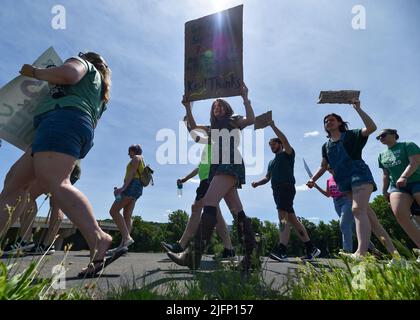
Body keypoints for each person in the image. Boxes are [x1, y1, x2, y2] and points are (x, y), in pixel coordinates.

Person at [0, 52, 122, 277]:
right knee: (14, 182)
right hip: (66, 124)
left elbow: (69, 73)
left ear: (87, 58)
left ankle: (98, 238)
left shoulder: (84, 66)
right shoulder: (100, 92)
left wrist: (35, 72)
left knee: (55, 182)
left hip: (60, 120)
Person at [168, 83, 258, 271]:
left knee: (209, 202)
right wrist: (187, 107)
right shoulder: (211, 129)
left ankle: (193, 256)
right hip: (218, 168)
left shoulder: (234, 120)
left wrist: (245, 97)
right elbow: (193, 129)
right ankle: (253, 256)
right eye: (215, 107)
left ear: (226, 108)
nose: (218, 108)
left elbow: (251, 119)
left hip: (230, 163)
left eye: (221, 106)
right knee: (236, 210)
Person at [307, 99, 397, 259]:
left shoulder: (351, 135)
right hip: (344, 182)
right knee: (372, 221)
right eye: (326, 121)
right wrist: (313, 180)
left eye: (332, 120)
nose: (328, 122)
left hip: (359, 175)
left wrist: (358, 108)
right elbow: (323, 166)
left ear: (340, 122)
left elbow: (371, 128)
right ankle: (396, 256)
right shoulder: (326, 146)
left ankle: (360, 253)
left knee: (357, 210)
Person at [252, 120, 321, 261]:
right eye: (270, 145)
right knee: (292, 219)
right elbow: (267, 177)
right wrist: (257, 183)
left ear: (281, 145)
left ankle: (281, 250)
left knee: (282, 218)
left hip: (286, 188)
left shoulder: (288, 154)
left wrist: (272, 125)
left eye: (274, 143)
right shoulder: (272, 162)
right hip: (276, 190)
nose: (272, 146)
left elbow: (284, 139)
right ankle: (311, 249)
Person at [161, 143, 235, 260]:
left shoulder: (217, 142)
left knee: (196, 209)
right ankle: (229, 249)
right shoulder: (208, 147)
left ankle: (181, 244)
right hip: (206, 179)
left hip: (209, 179)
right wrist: (185, 179)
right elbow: (200, 167)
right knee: (217, 215)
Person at [3, 161, 81, 255]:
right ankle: (47, 245)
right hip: (72, 166)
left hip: (58, 162)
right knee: (56, 204)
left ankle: (25, 240)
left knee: (29, 194)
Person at [312, 166, 381, 256]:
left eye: (331, 167)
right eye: (328, 168)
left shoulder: (343, 175)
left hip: (347, 200)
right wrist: (316, 187)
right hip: (336, 203)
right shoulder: (329, 181)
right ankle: (373, 250)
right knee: (353, 228)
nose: (329, 169)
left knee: (344, 224)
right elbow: (327, 194)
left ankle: (347, 252)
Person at [377, 129, 420, 257]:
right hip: (397, 186)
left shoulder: (407, 145)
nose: (381, 138)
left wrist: (404, 176)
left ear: (394, 135)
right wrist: (384, 190)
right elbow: (385, 174)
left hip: (416, 181)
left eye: (383, 135)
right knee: (399, 213)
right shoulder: (381, 155)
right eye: (378, 137)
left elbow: (415, 162)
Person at [107, 144, 145, 254]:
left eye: (129, 151)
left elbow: (132, 174)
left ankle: (127, 238)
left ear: (134, 151)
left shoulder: (136, 158)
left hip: (132, 186)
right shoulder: (142, 160)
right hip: (137, 188)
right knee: (127, 215)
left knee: (113, 211)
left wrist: (122, 188)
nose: (128, 154)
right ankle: (123, 246)